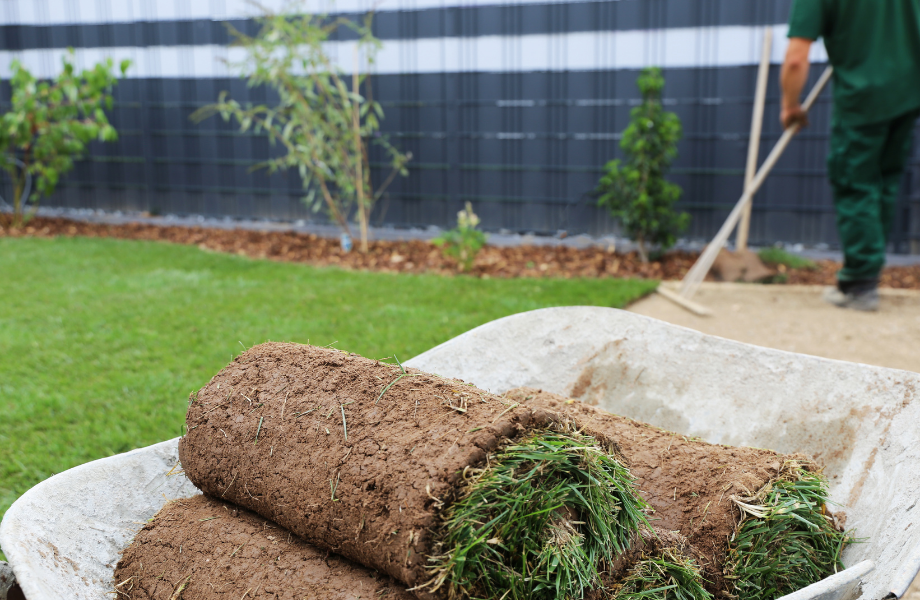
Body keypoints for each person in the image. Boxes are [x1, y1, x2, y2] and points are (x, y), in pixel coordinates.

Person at [781, 0, 920, 311]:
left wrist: (790, 105)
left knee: (855, 182)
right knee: (884, 183)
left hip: (863, 98)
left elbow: (795, 60)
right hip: (909, 93)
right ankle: (867, 272)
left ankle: (860, 282)